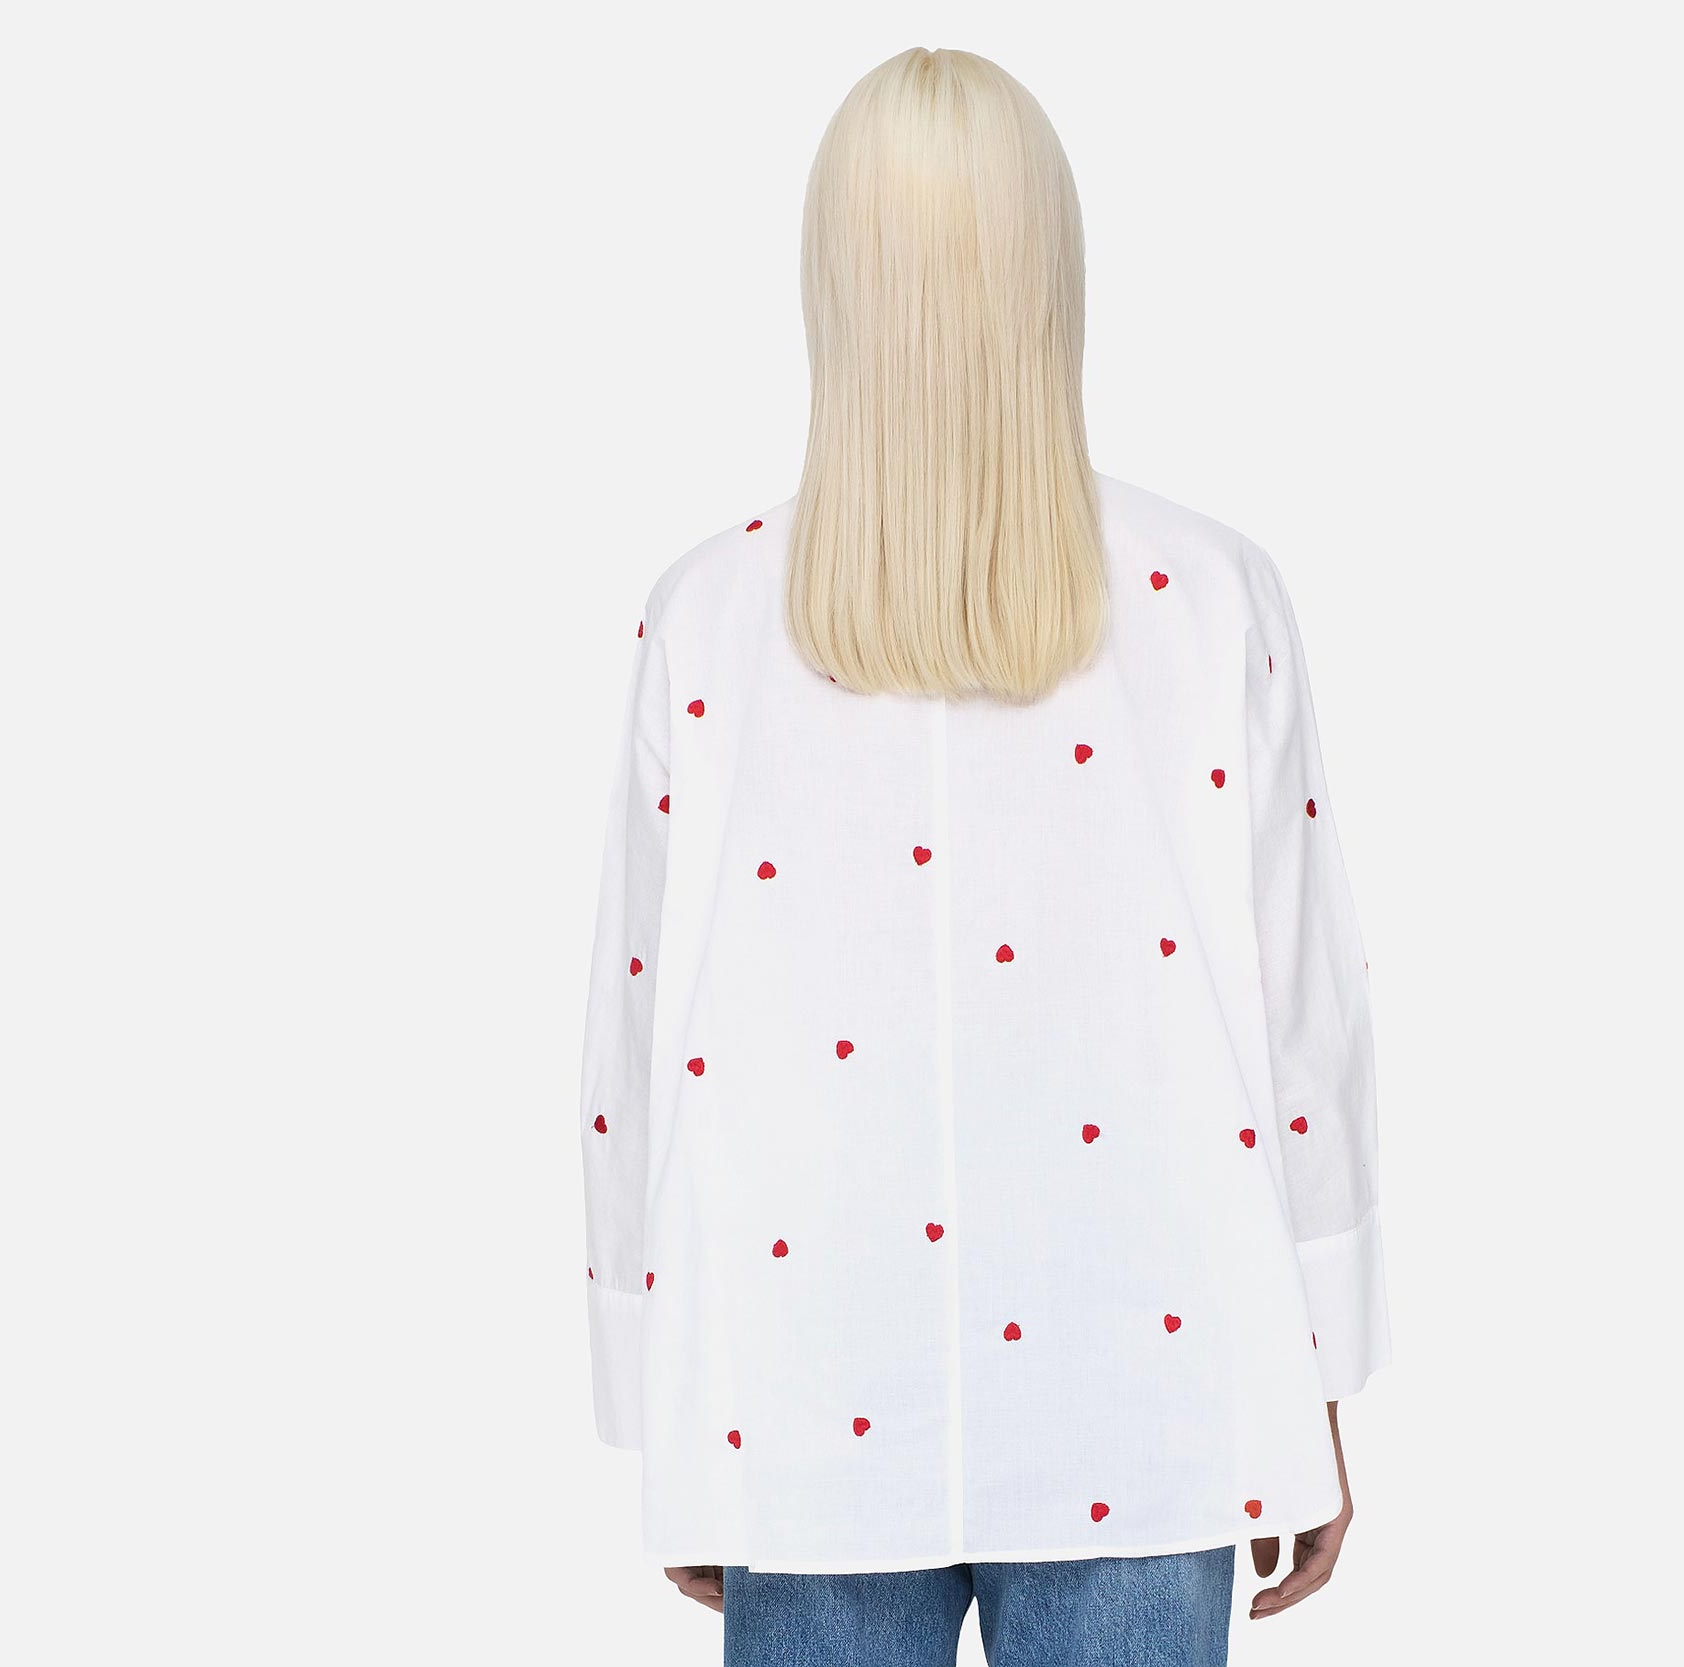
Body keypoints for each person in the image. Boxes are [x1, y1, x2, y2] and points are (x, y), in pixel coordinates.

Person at [579, 47, 1387, 1667]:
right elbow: (1304, 1024)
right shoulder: (1207, 593)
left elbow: (633, 1041)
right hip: (1150, 1390)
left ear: (833, 279)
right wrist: (1311, 1363)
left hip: (803, 1394)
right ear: (1049, 269)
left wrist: (664, 1389)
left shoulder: (710, 617)